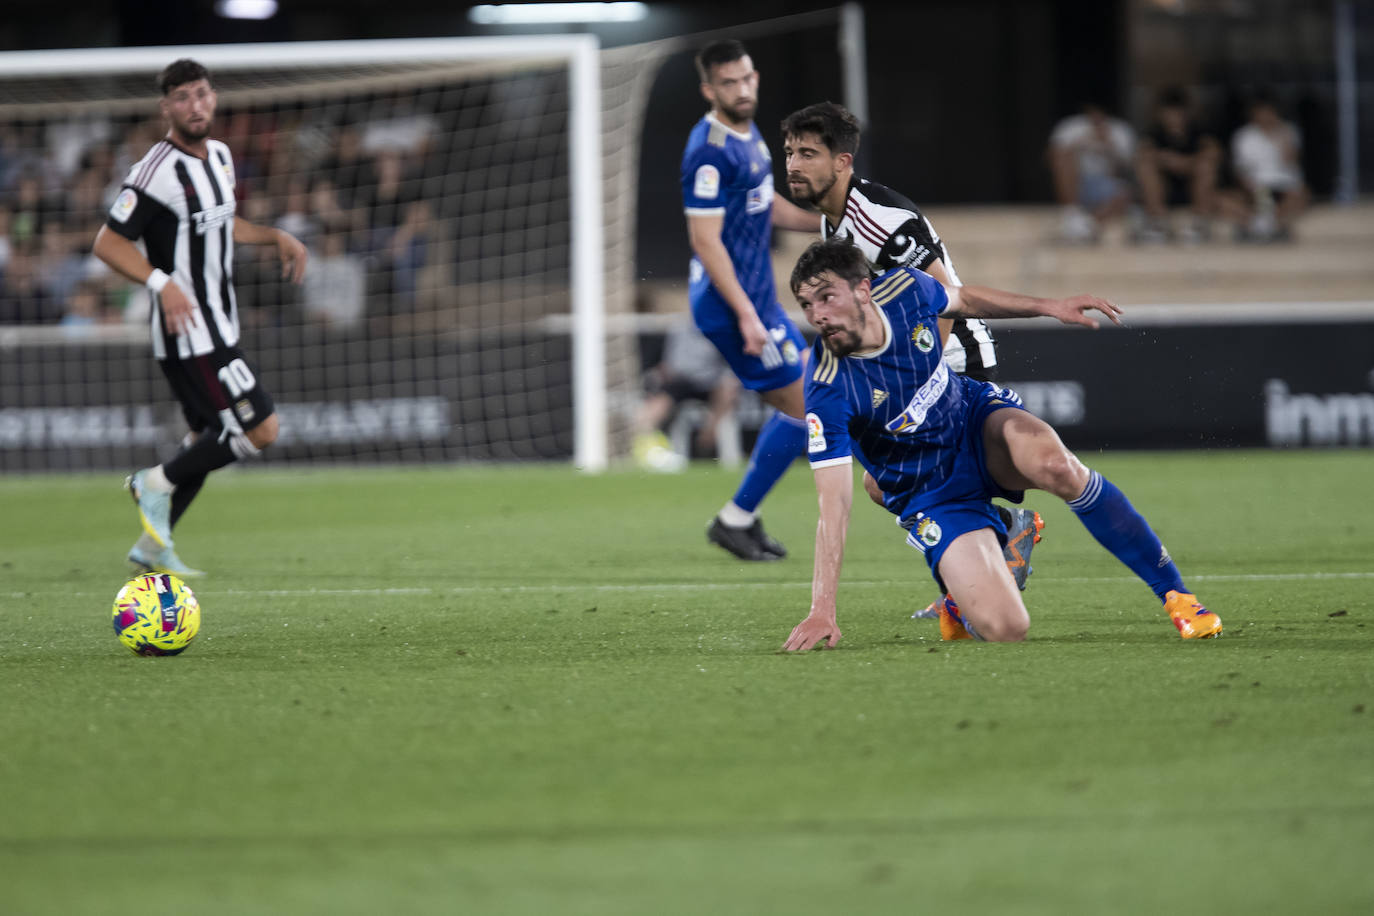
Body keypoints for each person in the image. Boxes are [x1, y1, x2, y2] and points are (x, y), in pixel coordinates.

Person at [780, 238, 1220, 651]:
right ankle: (980, 568)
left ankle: (1178, 597)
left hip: (975, 422)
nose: (816, 314)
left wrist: (1049, 306)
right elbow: (833, 504)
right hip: (932, 491)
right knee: (1007, 629)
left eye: (826, 298)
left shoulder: (906, 290)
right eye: (806, 305)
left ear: (863, 290)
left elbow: (966, 300)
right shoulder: (827, 387)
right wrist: (822, 610)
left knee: (1058, 467)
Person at [779, 101, 1043, 615]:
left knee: (890, 482)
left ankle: (987, 557)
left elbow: (943, 293)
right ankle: (992, 548)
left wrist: (919, 376)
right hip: (913, 367)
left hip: (949, 358)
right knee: (884, 483)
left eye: (807, 153)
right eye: (788, 152)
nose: (792, 164)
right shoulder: (833, 226)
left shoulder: (880, 218)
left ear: (842, 161)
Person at [93, 58, 308, 577]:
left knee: (206, 439)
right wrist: (160, 283)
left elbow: (222, 224)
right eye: (184, 97)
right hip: (188, 333)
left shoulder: (220, 156)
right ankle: (154, 484)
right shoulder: (154, 171)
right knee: (261, 428)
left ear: (214, 98)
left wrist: (274, 236)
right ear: (166, 106)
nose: (196, 105)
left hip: (221, 322)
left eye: (203, 94)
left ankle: (151, 546)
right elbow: (108, 243)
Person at [681, 40, 822, 561]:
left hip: (755, 300)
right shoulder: (709, 149)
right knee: (818, 408)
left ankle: (737, 518)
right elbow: (705, 241)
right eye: (729, 84)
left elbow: (769, 209)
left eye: (746, 79)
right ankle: (930, 513)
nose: (741, 90)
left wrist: (831, 224)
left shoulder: (750, 134)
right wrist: (746, 316)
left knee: (814, 396)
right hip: (731, 305)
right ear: (708, 89)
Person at [632, 315, 740, 473]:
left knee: (728, 386)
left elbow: (729, 366)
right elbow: (669, 362)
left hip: (710, 381)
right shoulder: (679, 329)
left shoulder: (720, 330)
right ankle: (648, 445)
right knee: (658, 399)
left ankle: (708, 437)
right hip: (682, 380)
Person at [1134, 87, 1221, 243]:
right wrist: (1165, 159)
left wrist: (1186, 162)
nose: (1173, 118)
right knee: (1145, 166)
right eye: (1169, 113)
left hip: (1192, 189)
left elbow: (1214, 153)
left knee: (1206, 167)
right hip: (1166, 190)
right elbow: (1143, 154)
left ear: (1185, 113)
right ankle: (1157, 223)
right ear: (1160, 114)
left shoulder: (1199, 131)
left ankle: (1199, 223)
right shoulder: (1154, 133)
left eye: (1177, 113)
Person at [1228, 89, 1310, 242]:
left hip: (1285, 186)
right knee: (1228, 200)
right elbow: (1240, 169)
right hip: (1256, 187)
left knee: (1302, 195)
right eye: (1261, 112)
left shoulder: (1289, 130)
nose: (1265, 116)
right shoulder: (1243, 136)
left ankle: (1265, 227)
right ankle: (1264, 226)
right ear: (1253, 113)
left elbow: (1290, 159)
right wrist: (1251, 187)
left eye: (1269, 111)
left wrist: (1278, 132)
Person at [1047, 102, 1135, 244]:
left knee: (1126, 193)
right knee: (1063, 157)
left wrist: (1109, 146)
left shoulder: (1119, 130)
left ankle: (1087, 225)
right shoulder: (1071, 126)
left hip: (1106, 186)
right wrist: (1080, 142)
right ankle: (1072, 214)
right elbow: (1052, 157)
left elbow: (1128, 169)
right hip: (1077, 183)